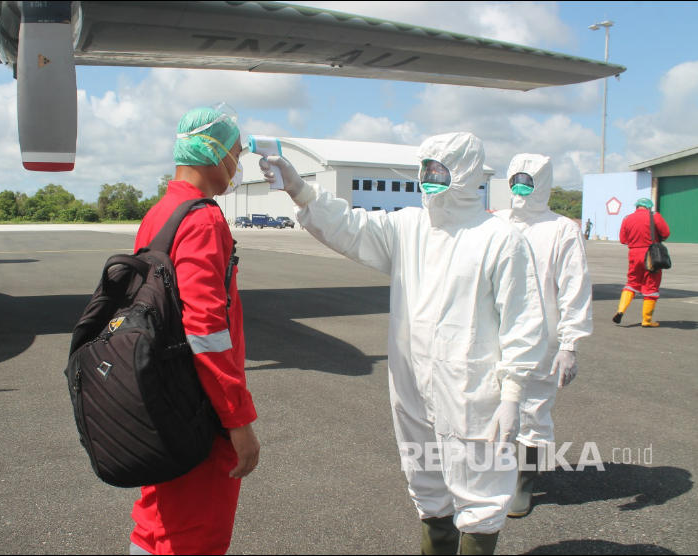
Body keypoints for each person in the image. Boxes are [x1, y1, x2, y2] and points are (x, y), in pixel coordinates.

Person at [260, 132, 548, 554]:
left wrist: (514, 391)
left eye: (439, 169)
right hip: (412, 386)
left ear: (465, 172)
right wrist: (300, 189)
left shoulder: (500, 239)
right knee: (426, 483)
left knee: (481, 492)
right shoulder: (409, 226)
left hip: (473, 392)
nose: (429, 177)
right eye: (426, 168)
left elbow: (523, 323)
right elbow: (352, 227)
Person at [129, 105, 260, 555]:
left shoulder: (161, 213)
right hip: (197, 407)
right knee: (194, 536)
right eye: (236, 153)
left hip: (159, 396)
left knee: (156, 522)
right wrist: (237, 418)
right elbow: (206, 330)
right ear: (215, 151)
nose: (237, 164)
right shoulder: (203, 219)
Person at [494, 154, 593, 517]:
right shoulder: (496, 222)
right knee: (491, 403)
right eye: (515, 181)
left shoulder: (561, 229)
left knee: (531, 412)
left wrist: (570, 345)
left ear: (543, 183)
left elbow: (574, 288)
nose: (520, 189)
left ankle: (524, 482)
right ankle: (496, 474)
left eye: (528, 181)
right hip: (493, 334)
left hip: (541, 339)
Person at [613, 198, 670, 327]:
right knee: (651, 285)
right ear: (649, 207)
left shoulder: (627, 218)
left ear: (637, 206)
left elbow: (623, 239)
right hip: (651, 254)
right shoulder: (654, 216)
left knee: (632, 283)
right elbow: (666, 233)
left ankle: (620, 310)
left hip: (633, 254)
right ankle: (647, 320)